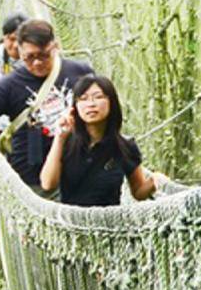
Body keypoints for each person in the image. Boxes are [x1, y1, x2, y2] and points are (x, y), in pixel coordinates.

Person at [0, 19, 92, 190]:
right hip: (34, 179)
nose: (37, 63)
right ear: (20, 52)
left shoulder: (80, 71)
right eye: (29, 57)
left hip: (81, 169)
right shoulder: (9, 84)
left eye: (43, 55)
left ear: (55, 47)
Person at [38, 74, 159, 206]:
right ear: (75, 107)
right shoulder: (66, 142)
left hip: (108, 223)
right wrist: (60, 137)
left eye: (98, 97)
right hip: (70, 221)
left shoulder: (124, 146)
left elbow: (138, 192)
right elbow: (48, 184)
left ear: (111, 102)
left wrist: (155, 182)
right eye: (83, 99)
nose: (91, 104)